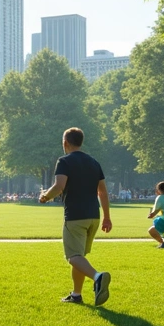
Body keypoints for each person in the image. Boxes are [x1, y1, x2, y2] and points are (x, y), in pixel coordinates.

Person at [38, 127, 113, 305]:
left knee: (73, 256)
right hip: (94, 216)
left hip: (75, 215)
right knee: (79, 257)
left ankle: (98, 277)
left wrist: (45, 197)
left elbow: (59, 186)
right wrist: (107, 217)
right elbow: (102, 192)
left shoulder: (64, 161)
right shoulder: (94, 162)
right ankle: (76, 295)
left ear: (65, 143)